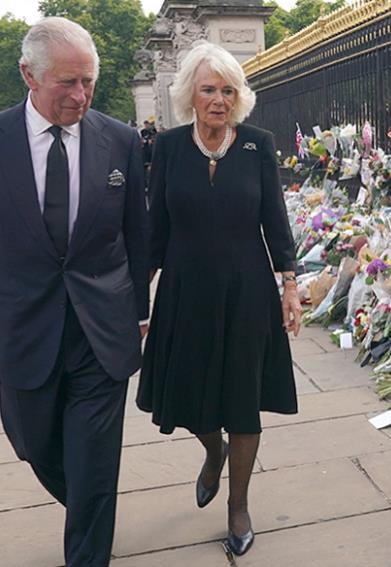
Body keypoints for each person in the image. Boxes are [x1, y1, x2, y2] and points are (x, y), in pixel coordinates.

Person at [0, 17, 149, 567]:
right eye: (67, 82)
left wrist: (140, 311)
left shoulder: (121, 140)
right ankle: (90, 506)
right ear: (28, 76)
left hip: (101, 330)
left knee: (94, 460)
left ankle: (88, 541)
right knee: (33, 442)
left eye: (88, 81)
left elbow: (138, 236)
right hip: (22, 326)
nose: (80, 95)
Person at [138, 40, 301, 558]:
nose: (219, 99)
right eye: (209, 89)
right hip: (185, 291)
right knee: (191, 393)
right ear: (190, 93)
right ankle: (214, 452)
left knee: (243, 398)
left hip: (247, 290)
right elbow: (154, 228)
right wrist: (137, 298)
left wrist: (290, 284)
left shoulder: (257, 144)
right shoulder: (167, 148)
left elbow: (274, 218)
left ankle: (238, 504)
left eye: (228, 90)